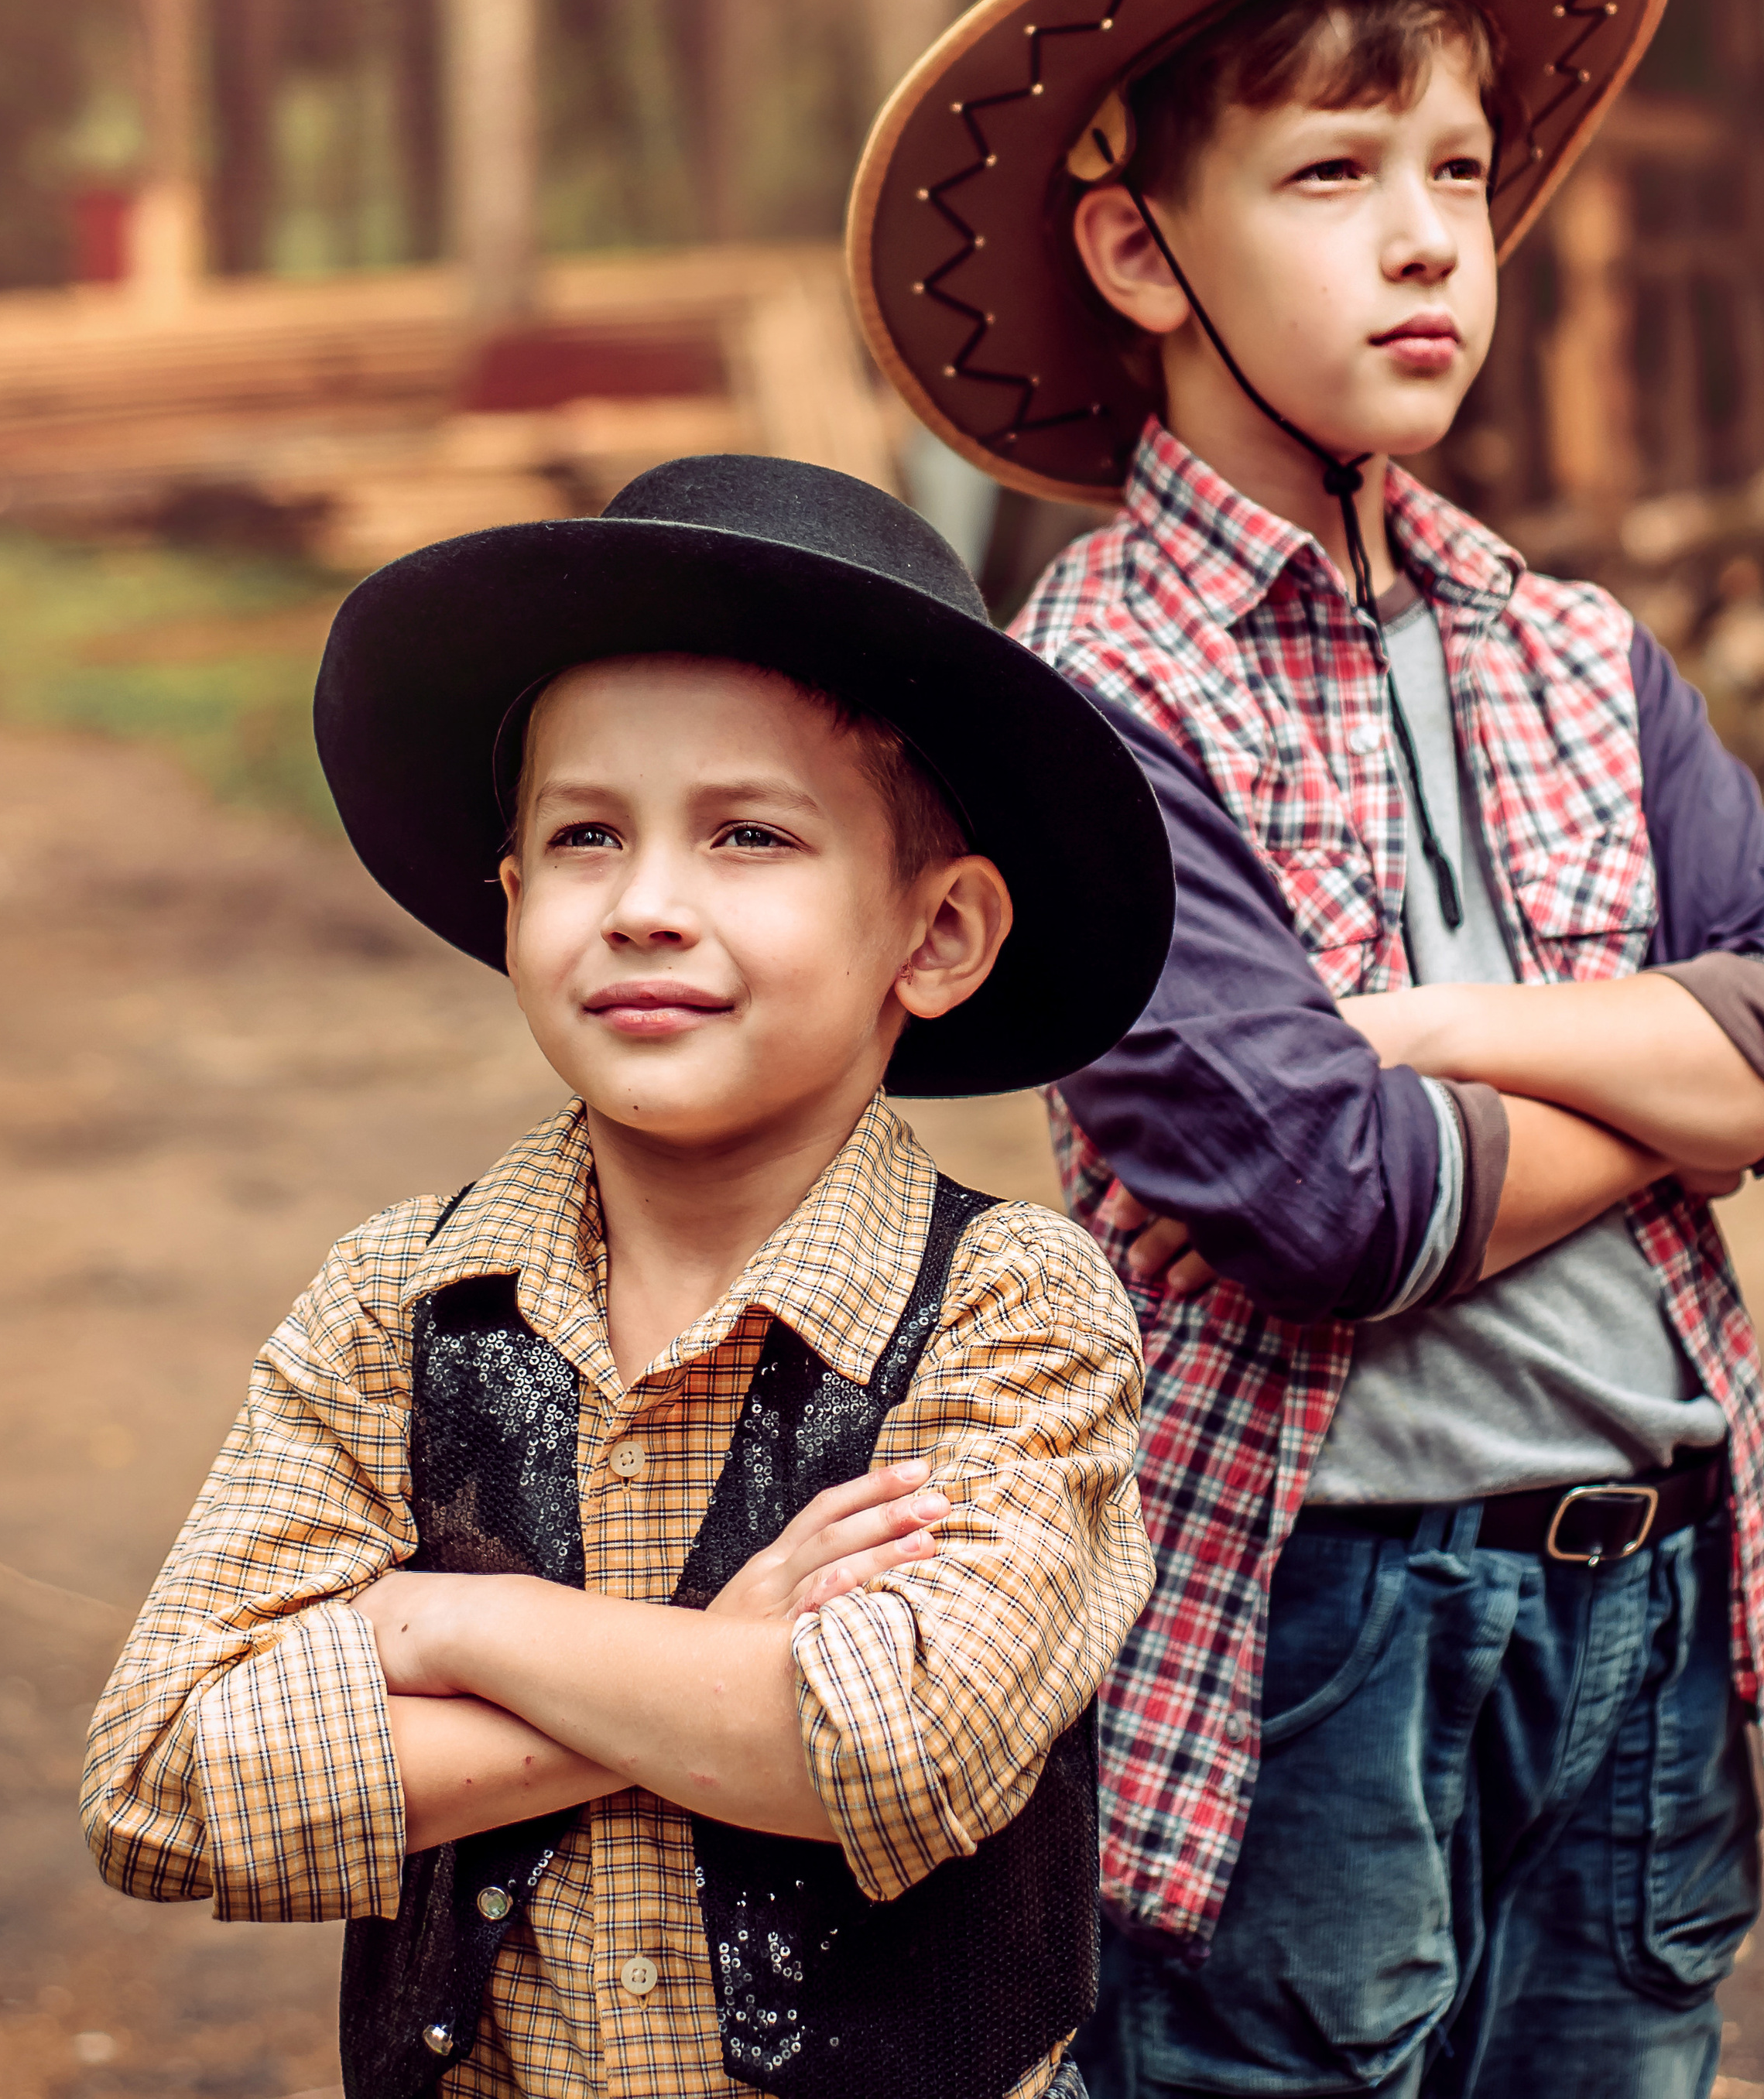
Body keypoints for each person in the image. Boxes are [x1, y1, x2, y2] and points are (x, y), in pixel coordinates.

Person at [847, 0, 1764, 2097]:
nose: (1428, 240)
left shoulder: (1575, 650)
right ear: (1143, 256)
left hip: (1659, 1601)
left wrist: (1455, 1029)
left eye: (1454, 170)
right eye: (1332, 179)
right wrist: (1672, 1080)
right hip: (1326, 1623)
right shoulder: (1097, 706)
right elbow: (1337, 1199)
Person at [82, 453, 1173, 2099]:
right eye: (587, 836)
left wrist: (446, 1624)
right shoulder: (397, 1305)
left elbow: (882, 1747)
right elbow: (165, 1780)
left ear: (934, 935)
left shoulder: (1014, 1310)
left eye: (747, 833)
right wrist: (702, 1671)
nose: (648, 905)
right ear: (512, 900)